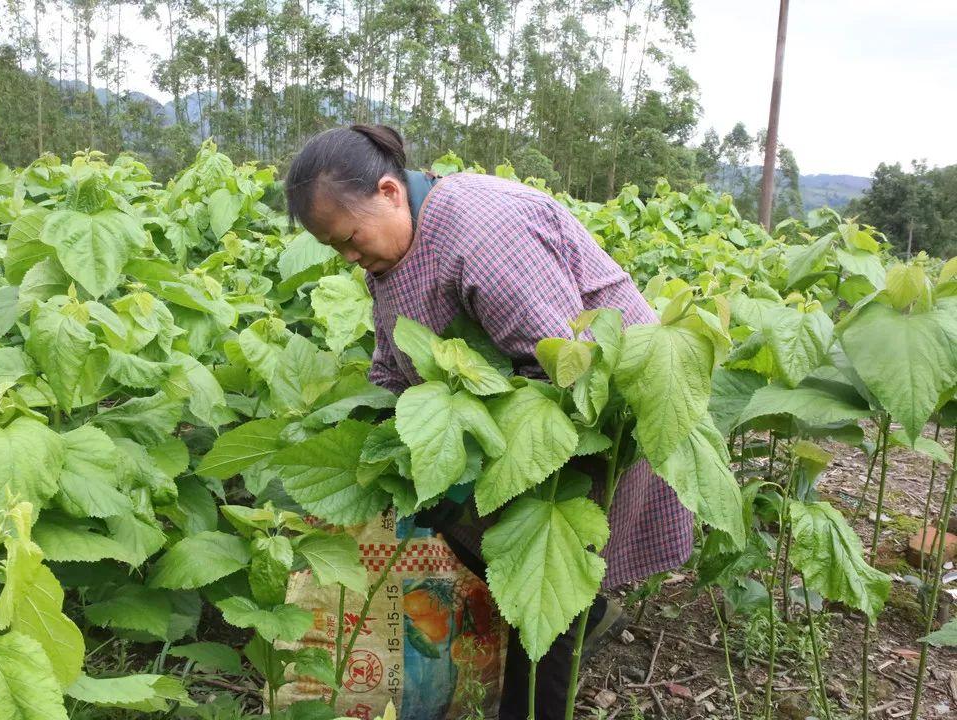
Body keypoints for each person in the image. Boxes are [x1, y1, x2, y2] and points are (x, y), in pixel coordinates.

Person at [285, 124, 693, 720]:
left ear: (390, 191)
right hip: (511, 412)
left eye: (349, 238)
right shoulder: (395, 244)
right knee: (461, 523)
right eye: (335, 248)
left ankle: (550, 661)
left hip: (593, 414)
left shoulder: (482, 234)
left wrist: (461, 454)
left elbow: (565, 371)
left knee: (542, 581)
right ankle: (586, 611)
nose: (350, 258)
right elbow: (394, 358)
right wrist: (366, 445)